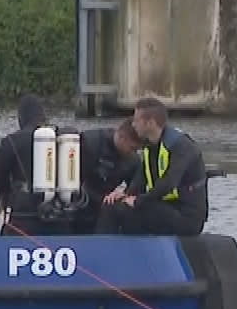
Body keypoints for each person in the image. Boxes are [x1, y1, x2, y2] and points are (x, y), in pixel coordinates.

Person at [98, 96, 208, 236]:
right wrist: (125, 194)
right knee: (112, 204)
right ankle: (108, 248)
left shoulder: (182, 147)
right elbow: (142, 177)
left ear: (150, 123)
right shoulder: (151, 146)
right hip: (165, 208)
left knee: (127, 209)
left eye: (137, 120)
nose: (133, 125)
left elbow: (168, 183)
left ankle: (112, 249)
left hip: (186, 217)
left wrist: (138, 201)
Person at [0, 94, 53, 232]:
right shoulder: (58, 139)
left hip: (22, 217)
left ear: (21, 117)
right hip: (58, 215)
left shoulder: (10, 142)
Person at [75, 119, 145, 233]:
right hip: (78, 198)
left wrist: (123, 194)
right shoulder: (89, 143)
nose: (134, 152)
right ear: (122, 138)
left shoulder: (133, 161)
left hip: (103, 204)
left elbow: (136, 188)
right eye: (132, 148)